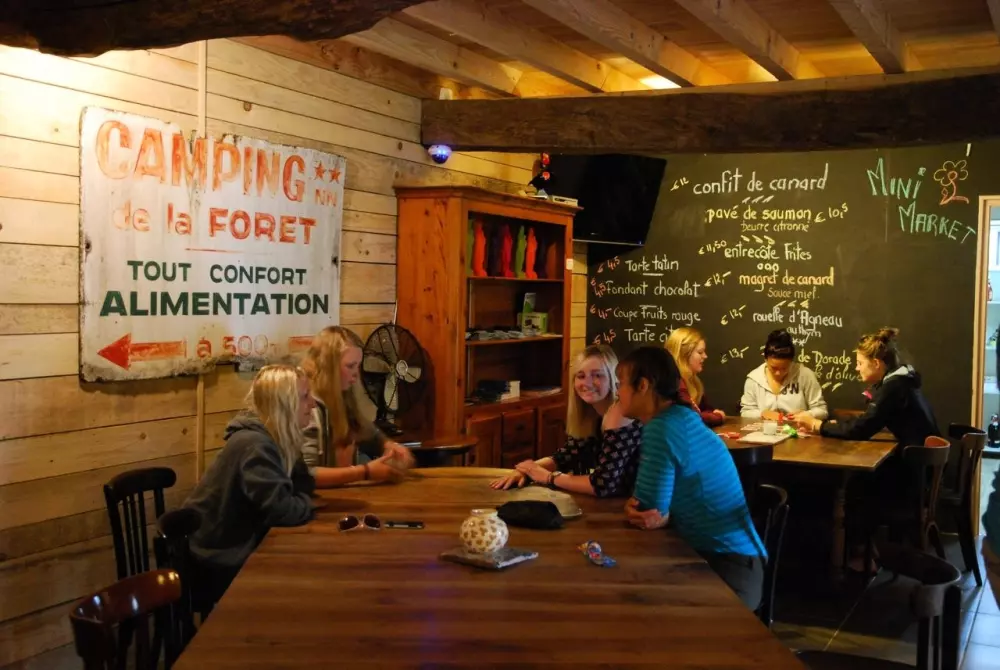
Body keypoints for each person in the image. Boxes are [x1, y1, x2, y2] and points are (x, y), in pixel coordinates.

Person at [618, 346, 766, 610]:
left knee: (632, 600)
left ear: (642, 386)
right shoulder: (682, 415)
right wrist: (658, 515)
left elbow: (646, 511)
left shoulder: (662, 428)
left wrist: (647, 512)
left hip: (726, 572)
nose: (617, 392)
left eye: (620, 384)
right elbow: (656, 513)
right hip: (741, 561)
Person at [184, 364, 319, 605]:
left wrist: (300, 492)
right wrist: (306, 502)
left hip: (233, 545)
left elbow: (303, 485)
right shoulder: (256, 445)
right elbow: (283, 510)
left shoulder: (274, 436)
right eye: (305, 396)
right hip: (213, 559)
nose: (313, 404)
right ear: (284, 405)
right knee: (301, 581)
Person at [490, 345, 642, 497]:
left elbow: (602, 485)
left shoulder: (620, 413)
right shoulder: (590, 415)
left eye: (597, 375)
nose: (587, 383)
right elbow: (566, 456)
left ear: (612, 379)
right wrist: (525, 470)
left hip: (635, 505)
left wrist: (548, 477)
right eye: (580, 376)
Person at [301, 326, 415, 487]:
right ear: (328, 366)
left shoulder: (344, 398)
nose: (356, 374)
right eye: (350, 366)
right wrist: (365, 472)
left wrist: (388, 445)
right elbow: (305, 475)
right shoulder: (308, 407)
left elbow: (367, 433)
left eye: (358, 366)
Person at [794, 328, 938, 446]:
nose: (857, 368)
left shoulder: (893, 387)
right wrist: (832, 425)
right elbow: (867, 419)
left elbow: (860, 430)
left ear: (876, 363)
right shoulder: (901, 379)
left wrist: (816, 425)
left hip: (916, 464)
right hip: (922, 459)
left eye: (860, 363)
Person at [740, 329, 828, 422]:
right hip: (766, 429)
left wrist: (807, 414)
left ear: (791, 361)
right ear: (765, 359)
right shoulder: (754, 379)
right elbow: (746, 412)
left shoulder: (805, 375)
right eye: (773, 368)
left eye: (784, 368)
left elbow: (822, 411)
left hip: (798, 428)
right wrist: (762, 414)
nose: (778, 373)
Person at [664, 327, 725, 427]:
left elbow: (707, 410)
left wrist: (711, 414)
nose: (705, 356)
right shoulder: (675, 383)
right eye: (700, 352)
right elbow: (691, 418)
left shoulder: (693, 382)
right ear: (684, 355)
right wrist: (718, 416)